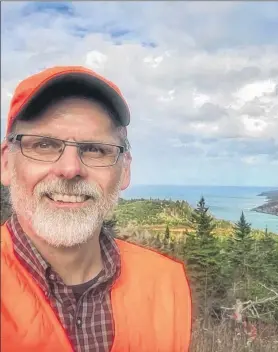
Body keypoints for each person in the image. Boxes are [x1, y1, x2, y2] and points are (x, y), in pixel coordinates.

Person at [1, 66, 192, 352]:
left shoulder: (166, 282)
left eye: (95, 149)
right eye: (44, 144)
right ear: (6, 164)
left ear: (124, 170)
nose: (70, 169)